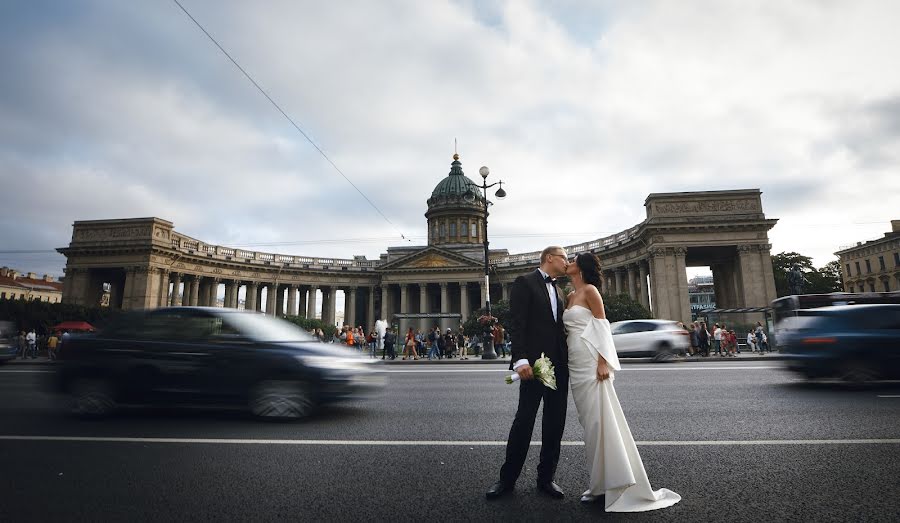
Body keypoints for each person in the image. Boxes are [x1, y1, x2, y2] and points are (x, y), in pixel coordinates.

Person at [563, 252, 681, 511]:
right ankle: (603, 482)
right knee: (589, 425)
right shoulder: (570, 296)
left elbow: (602, 326)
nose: (567, 262)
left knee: (600, 423)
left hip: (592, 362)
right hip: (576, 364)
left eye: (572, 260)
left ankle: (605, 486)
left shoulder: (591, 291)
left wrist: (603, 361)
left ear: (580, 268)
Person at [486, 246, 570, 501]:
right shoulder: (525, 282)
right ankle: (507, 479)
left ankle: (547, 478)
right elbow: (517, 322)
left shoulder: (559, 290)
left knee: (555, 423)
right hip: (534, 364)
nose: (567, 262)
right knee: (524, 421)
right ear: (550, 258)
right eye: (564, 258)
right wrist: (520, 359)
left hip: (558, 364)